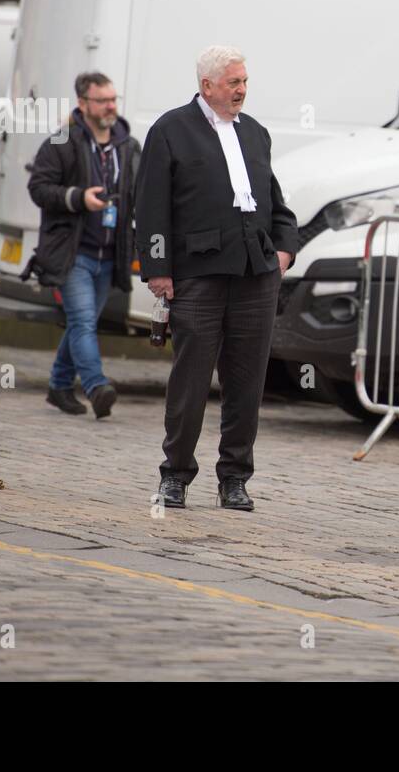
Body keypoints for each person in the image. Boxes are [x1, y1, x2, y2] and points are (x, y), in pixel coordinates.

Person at [135, 46, 298, 511]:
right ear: (207, 85)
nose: (242, 90)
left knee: (247, 383)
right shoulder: (170, 130)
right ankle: (175, 475)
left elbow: (274, 201)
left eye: (244, 81)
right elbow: (151, 208)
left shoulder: (257, 134)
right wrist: (159, 270)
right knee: (189, 382)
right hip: (197, 276)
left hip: (256, 276)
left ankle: (235, 478)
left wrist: (286, 248)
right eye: (233, 82)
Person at [22, 72, 140, 419]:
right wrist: (77, 198)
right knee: (85, 321)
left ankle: (59, 386)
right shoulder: (62, 141)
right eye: (102, 101)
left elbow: (143, 193)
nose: (110, 107)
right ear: (83, 104)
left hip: (110, 255)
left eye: (113, 100)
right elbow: (39, 188)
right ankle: (95, 386)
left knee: (80, 323)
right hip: (74, 253)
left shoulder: (129, 146)